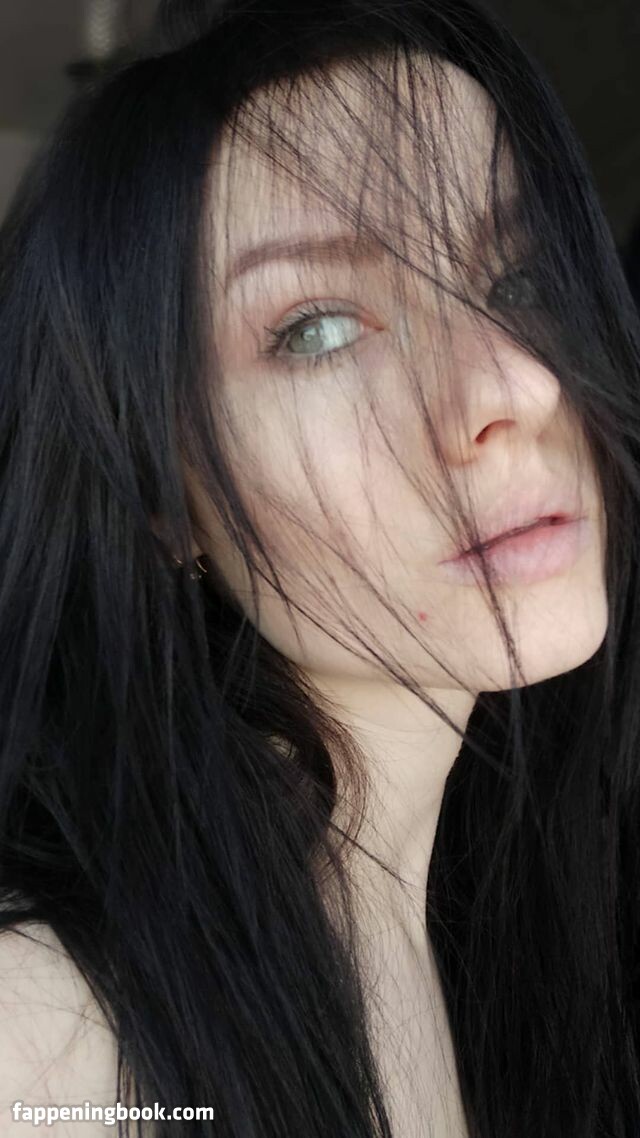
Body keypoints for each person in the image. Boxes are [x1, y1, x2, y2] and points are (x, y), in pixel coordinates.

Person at [0, 0, 637, 1134]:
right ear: (158, 498)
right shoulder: (51, 1039)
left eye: (519, 280)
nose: (518, 384)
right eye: (318, 329)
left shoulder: (503, 913)